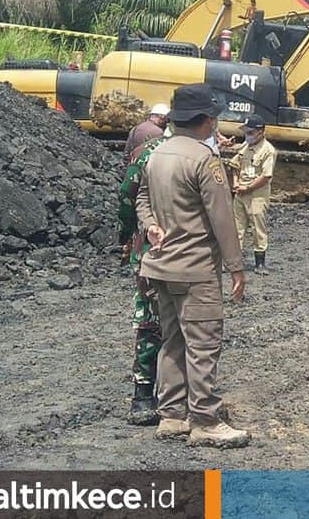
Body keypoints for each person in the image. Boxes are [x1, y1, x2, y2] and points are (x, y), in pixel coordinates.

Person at [135, 83, 249, 448]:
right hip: (195, 268)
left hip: (160, 266)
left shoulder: (156, 154)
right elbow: (223, 219)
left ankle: (172, 415)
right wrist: (236, 267)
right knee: (203, 343)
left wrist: (150, 224)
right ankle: (205, 419)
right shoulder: (204, 160)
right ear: (206, 121)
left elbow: (140, 197)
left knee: (172, 340)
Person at [118, 133, 170, 425]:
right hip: (181, 252)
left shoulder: (146, 153)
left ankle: (144, 396)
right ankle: (160, 394)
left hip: (151, 250)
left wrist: (125, 235)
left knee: (151, 321)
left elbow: (127, 196)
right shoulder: (202, 152)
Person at [228, 115, 276, 275]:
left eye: (251, 131)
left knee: (258, 229)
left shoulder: (268, 151)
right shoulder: (245, 146)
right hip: (241, 193)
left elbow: (266, 176)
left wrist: (247, 188)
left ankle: (260, 263)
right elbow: (235, 164)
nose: (247, 134)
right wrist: (235, 182)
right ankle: (234, 262)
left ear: (260, 132)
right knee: (237, 228)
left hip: (257, 195)